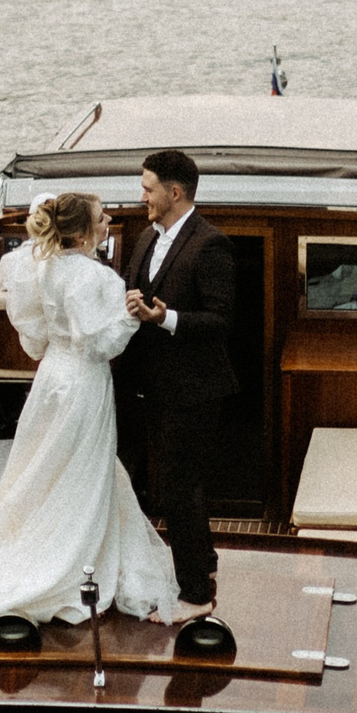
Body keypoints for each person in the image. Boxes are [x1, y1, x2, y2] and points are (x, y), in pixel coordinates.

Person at [0, 192, 180, 647]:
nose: (108, 221)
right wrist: (133, 317)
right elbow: (100, 344)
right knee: (84, 469)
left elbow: (34, 335)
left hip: (52, 376)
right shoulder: (97, 277)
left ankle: (47, 550)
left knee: (44, 467)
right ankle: (72, 565)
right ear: (82, 231)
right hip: (86, 383)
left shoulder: (41, 268)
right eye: (101, 217)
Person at [118, 148, 235, 613]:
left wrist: (167, 318)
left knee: (177, 486)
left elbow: (223, 321)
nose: (141, 195)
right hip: (151, 385)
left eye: (147, 188)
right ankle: (203, 560)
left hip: (195, 388)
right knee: (176, 481)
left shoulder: (211, 245)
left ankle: (195, 595)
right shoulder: (147, 238)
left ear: (174, 192)